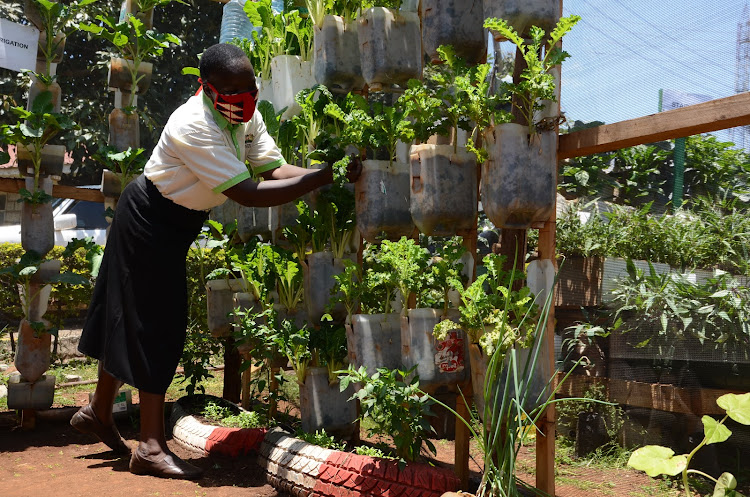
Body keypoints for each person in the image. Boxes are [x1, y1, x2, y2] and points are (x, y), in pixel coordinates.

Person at [70, 43, 360, 479]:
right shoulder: (193, 124)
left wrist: (328, 171)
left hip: (175, 223)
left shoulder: (246, 115)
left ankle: (98, 410)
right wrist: (322, 178)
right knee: (156, 322)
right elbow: (246, 193)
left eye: (249, 88)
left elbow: (273, 169)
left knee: (129, 315)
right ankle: (149, 446)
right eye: (231, 90)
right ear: (205, 87)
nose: (243, 98)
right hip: (149, 219)